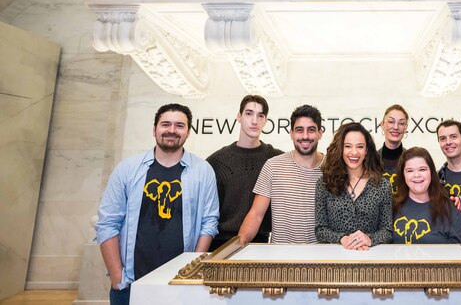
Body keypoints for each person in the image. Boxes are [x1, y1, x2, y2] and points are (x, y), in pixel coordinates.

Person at [95, 103, 219, 305]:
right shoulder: (127, 169)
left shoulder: (203, 171)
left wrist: (192, 270)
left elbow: (209, 222)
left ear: (188, 132)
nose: (172, 130)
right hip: (131, 283)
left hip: (181, 284)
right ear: (154, 129)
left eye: (179, 125)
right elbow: (107, 224)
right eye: (165, 124)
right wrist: (118, 277)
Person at [238, 104, 325, 244]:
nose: (305, 136)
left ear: (320, 133)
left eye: (311, 130)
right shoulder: (273, 166)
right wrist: (237, 245)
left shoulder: (333, 170)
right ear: (291, 133)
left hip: (321, 260)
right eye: (299, 130)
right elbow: (256, 215)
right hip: (279, 259)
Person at [206, 95, 282, 249]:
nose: (254, 120)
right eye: (249, 113)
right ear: (239, 117)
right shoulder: (216, 161)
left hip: (261, 244)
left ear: (266, 121)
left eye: (260, 115)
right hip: (220, 243)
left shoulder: (276, 159)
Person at [315, 122, 392, 250]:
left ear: (366, 150)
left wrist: (370, 239)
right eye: (348, 146)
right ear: (340, 149)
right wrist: (342, 239)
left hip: (370, 259)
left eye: (360, 146)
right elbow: (320, 230)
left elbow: (387, 231)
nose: (354, 152)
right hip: (335, 259)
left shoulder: (382, 185)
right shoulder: (325, 183)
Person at [392, 147, 461, 245]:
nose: (416, 175)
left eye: (422, 169)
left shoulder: (449, 209)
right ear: (403, 175)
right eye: (410, 170)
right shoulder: (392, 206)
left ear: (431, 172)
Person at [378, 104, 409, 193]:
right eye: (391, 122)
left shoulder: (412, 160)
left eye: (401, 123)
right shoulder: (370, 160)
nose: (396, 127)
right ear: (382, 124)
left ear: (405, 128)